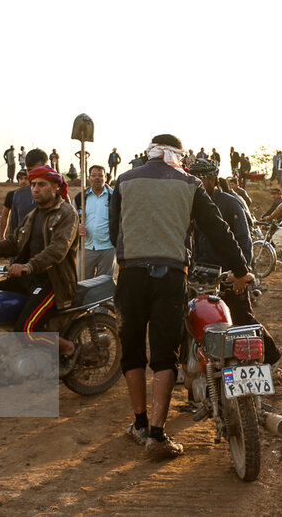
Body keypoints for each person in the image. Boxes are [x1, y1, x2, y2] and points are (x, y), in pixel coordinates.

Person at [109, 134, 253, 460]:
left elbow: (115, 226)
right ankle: (158, 436)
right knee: (165, 355)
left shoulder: (124, 181)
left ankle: (140, 425)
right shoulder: (189, 183)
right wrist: (241, 271)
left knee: (131, 351)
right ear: (179, 155)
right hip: (171, 277)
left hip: (130, 276)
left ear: (149, 154)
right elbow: (217, 229)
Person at [0, 166, 79, 370]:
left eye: (41, 185)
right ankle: (12, 353)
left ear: (55, 187)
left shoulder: (66, 213)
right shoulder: (33, 215)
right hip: (29, 279)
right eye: (33, 185)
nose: (35, 189)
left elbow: (58, 250)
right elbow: (14, 242)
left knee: (26, 329)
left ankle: (68, 348)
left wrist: (28, 266)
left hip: (54, 281)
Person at [189, 159, 281, 365]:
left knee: (241, 319)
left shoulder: (230, 203)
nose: (195, 184)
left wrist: (241, 274)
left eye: (200, 180)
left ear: (212, 179)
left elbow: (244, 241)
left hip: (229, 273)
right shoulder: (190, 202)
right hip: (200, 274)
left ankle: (272, 357)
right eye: (192, 179)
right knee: (194, 320)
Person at [74, 165, 116, 278]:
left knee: (104, 285)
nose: (97, 178)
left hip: (108, 248)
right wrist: (77, 228)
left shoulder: (114, 197)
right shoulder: (80, 198)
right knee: (83, 283)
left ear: (106, 177)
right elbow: (72, 221)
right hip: (86, 247)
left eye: (100, 175)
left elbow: (121, 219)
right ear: (89, 177)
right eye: (94, 175)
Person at [7, 149, 47, 241]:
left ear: (46, 168)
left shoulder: (58, 194)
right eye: (30, 170)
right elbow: (13, 230)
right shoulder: (19, 195)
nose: (34, 174)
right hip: (24, 252)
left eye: (38, 170)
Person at [1, 169, 29, 237]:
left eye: (26, 178)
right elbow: (5, 215)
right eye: (21, 178)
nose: (23, 181)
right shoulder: (11, 195)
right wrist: (2, 235)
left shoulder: (34, 195)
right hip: (15, 232)